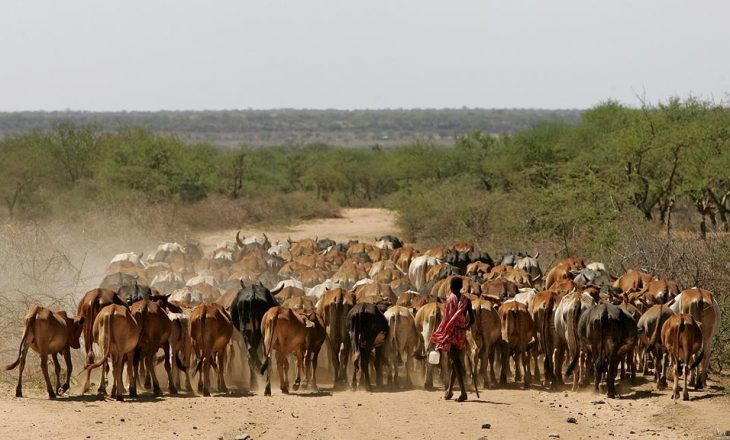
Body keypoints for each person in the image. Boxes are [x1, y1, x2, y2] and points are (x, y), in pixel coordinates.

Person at [430, 276, 474, 401]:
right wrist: (465, 327)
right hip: (461, 334)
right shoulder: (467, 300)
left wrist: (444, 331)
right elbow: (472, 319)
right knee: (456, 361)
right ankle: (449, 391)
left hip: (451, 334)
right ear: (461, 287)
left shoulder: (449, 300)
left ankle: (463, 393)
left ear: (450, 287)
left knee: (456, 362)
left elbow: (446, 320)